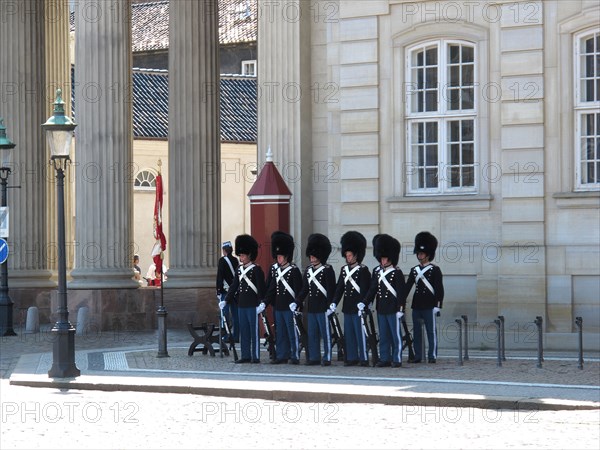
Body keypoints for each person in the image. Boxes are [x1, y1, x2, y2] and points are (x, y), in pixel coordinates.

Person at [220, 234, 266, 363]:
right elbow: (234, 286)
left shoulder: (256, 270)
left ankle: (255, 356)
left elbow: (261, 288)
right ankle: (245, 355)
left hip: (252, 305)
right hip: (242, 305)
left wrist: (262, 303)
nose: (241, 257)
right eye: (240, 255)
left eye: (243, 255)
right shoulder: (239, 270)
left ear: (249, 255)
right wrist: (226, 300)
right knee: (244, 332)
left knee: (253, 332)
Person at [365, 234, 406, 367]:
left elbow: (401, 293)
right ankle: (385, 358)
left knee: (395, 336)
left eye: (385, 258)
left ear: (390, 258)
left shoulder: (396, 272)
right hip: (381, 308)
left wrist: (401, 308)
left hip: (393, 308)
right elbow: (373, 289)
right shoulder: (378, 272)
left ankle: (397, 358)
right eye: (381, 258)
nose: (382, 261)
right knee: (383, 336)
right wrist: (365, 302)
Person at [296, 233, 336, 366]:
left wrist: (331, 305)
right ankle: (314, 357)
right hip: (312, 307)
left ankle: (327, 357)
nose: (311, 259)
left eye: (313, 256)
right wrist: (297, 302)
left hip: (323, 307)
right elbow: (304, 289)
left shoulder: (327, 270)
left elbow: (331, 290)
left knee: (325, 335)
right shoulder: (308, 270)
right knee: (312, 334)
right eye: (311, 256)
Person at [332, 231, 371, 367]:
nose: (347, 258)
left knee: (360, 334)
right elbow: (339, 289)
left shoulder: (363, 270)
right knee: (349, 334)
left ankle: (363, 357)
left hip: (358, 307)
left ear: (356, 255)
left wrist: (364, 304)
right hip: (347, 307)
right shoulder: (344, 270)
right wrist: (334, 303)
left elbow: (366, 290)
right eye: (346, 255)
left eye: (350, 255)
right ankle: (351, 357)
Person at [264, 231, 303, 365]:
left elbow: (299, 290)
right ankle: (282, 355)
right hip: (279, 306)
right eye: (278, 256)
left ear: (286, 256)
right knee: (280, 333)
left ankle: (294, 355)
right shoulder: (277, 271)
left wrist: (298, 306)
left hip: (289, 305)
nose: (278, 259)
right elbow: (271, 289)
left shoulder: (294, 270)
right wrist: (265, 303)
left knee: (292, 333)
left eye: (280, 256)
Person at [405, 231, 444, 364]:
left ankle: (432, 355)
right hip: (417, 305)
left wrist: (437, 306)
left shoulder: (435, 270)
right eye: (418, 253)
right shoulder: (414, 270)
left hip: (429, 305)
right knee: (417, 332)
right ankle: (418, 355)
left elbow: (439, 289)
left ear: (428, 254)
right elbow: (407, 287)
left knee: (431, 332)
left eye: (422, 253)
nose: (419, 255)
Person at [216, 241, 240, 342]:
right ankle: (236, 336)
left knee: (224, 314)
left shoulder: (222, 260)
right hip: (235, 291)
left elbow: (220, 276)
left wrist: (218, 290)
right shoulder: (236, 260)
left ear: (224, 250)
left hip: (225, 291)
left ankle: (225, 336)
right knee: (235, 315)